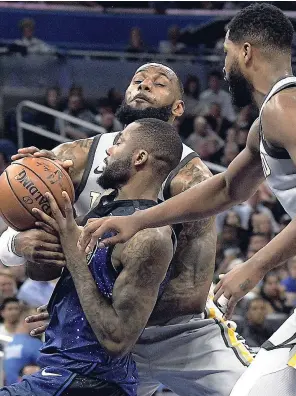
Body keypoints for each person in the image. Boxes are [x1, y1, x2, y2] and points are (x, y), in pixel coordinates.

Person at [79, 5, 296, 396]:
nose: (224, 66)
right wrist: (140, 221)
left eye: (226, 55)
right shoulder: (272, 119)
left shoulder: (287, 104)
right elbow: (227, 188)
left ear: (245, 52)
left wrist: (256, 265)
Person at [1, 63, 252, 395]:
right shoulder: (74, 158)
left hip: (171, 333)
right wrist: (19, 244)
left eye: (158, 84)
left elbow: (191, 290)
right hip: (105, 340)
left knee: (255, 388)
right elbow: (29, 256)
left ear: (179, 107)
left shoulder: (191, 181)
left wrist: (92, 308)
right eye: (138, 81)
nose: (144, 86)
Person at [1, 118, 181, 395]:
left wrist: (73, 253)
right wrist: (44, 195)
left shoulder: (151, 236)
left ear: (140, 157)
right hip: (61, 373)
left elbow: (117, 340)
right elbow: (41, 272)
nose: (108, 151)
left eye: (118, 143)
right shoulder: (100, 214)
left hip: (89, 381)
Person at [4, 307, 43, 386]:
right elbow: (53, 366)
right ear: (26, 321)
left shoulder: (9, 344)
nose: (41, 324)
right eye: (36, 320)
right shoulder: (33, 344)